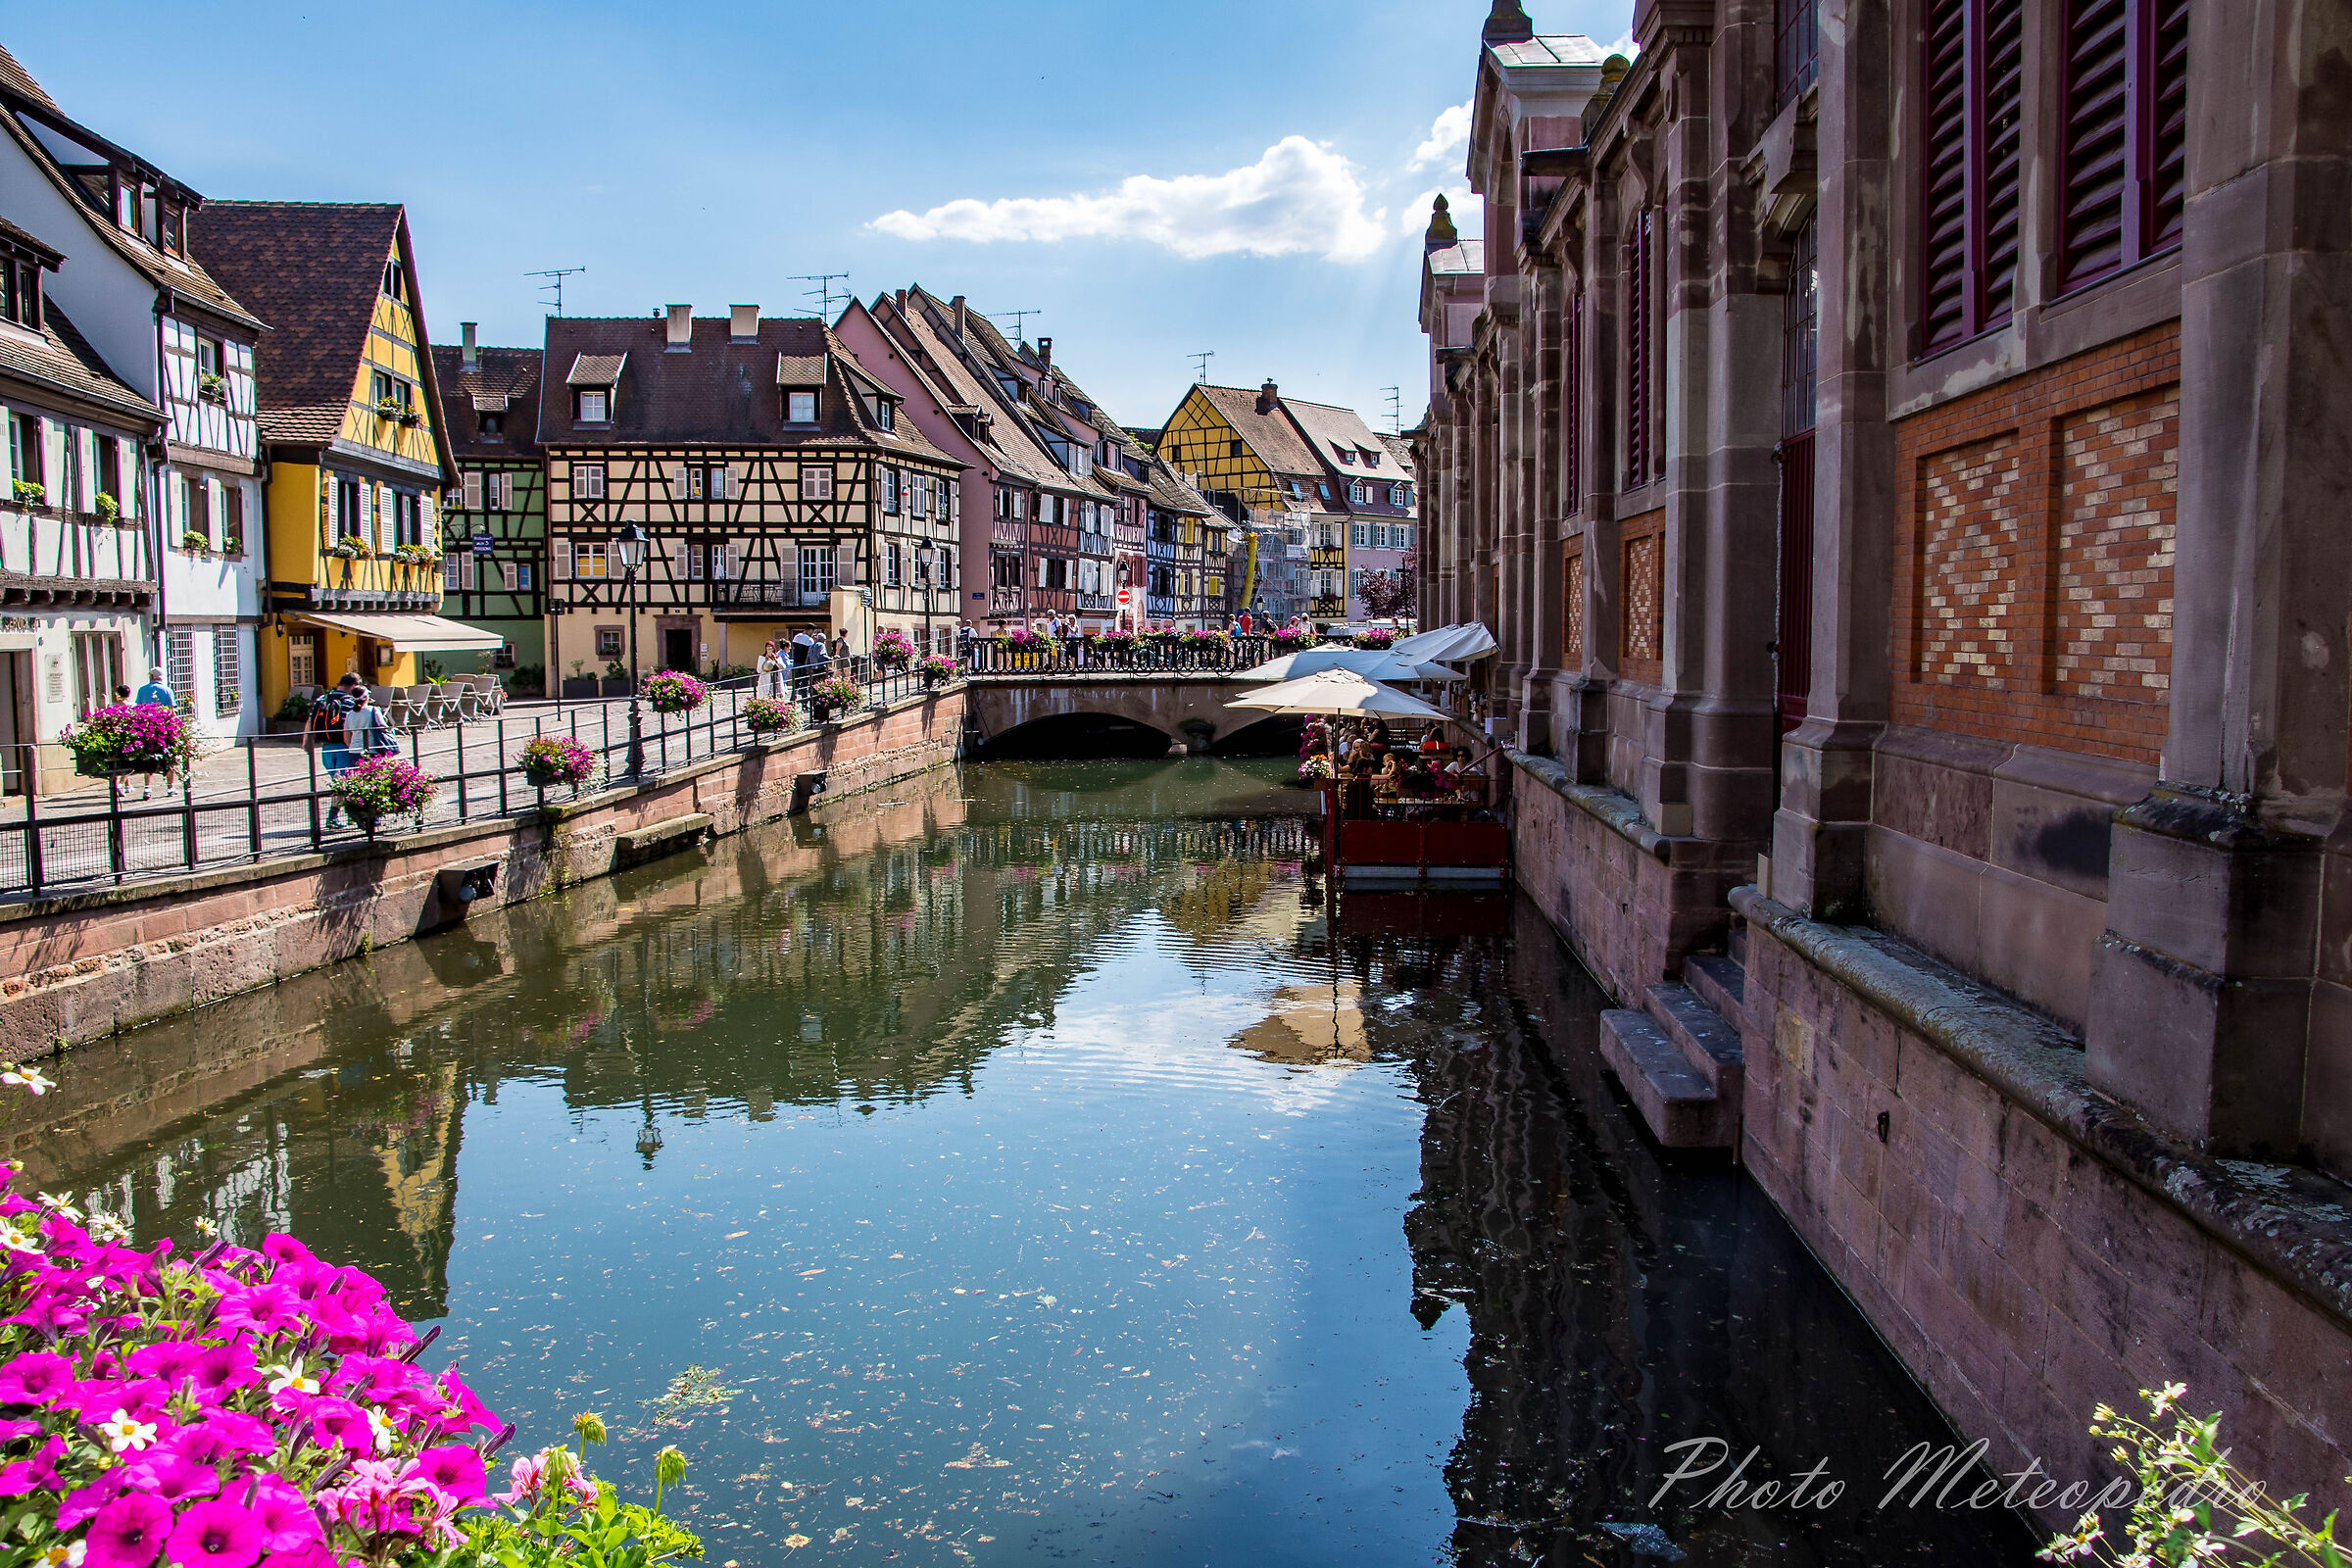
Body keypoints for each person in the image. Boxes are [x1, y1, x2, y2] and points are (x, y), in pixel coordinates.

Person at [312, 673, 366, 828]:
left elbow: (310, 721)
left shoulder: (322, 699)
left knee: (342, 783)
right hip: (343, 747)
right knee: (343, 784)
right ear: (354, 686)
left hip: (326, 748)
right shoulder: (349, 701)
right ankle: (333, 817)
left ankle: (352, 814)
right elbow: (348, 727)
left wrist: (306, 744)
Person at [130, 666, 177, 799]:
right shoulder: (168, 690)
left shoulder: (142, 690)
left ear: (151, 677)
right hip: (164, 729)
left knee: (148, 758)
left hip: (147, 729)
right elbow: (171, 711)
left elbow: (138, 709)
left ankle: (147, 788)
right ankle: (170, 788)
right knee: (169, 758)